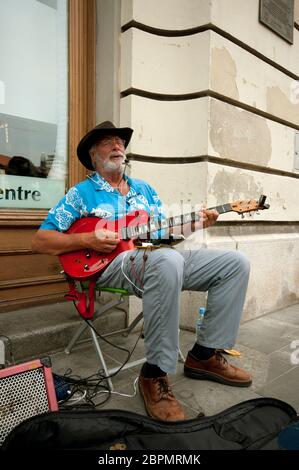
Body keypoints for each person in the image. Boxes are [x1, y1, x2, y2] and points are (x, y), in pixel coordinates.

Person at [31, 121, 252, 422]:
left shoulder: (145, 190)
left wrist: (197, 223)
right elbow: (41, 240)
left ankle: (203, 354)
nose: (117, 145)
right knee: (167, 261)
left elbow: (162, 237)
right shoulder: (81, 194)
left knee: (233, 263)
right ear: (93, 156)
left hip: (155, 261)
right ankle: (154, 373)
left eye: (120, 141)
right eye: (108, 141)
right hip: (111, 266)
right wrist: (87, 238)